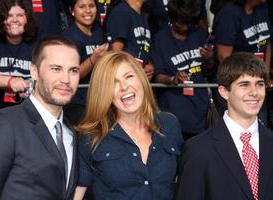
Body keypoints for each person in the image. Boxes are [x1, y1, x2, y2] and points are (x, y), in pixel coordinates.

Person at [0, 35, 80, 200]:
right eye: (56, 69)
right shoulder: (4, 124)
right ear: (34, 72)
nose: (66, 79)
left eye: (73, 70)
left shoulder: (70, 133)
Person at [73, 51, 183, 200]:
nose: (124, 87)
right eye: (113, 82)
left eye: (129, 76)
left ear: (142, 79)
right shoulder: (91, 135)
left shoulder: (170, 125)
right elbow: (78, 193)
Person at [176, 52, 273, 200]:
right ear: (224, 92)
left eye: (259, 84)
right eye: (244, 85)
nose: (254, 92)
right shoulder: (197, 150)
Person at [151, 0, 213, 139]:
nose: (185, 27)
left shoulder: (198, 34)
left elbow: (208, 70)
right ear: (172, 18)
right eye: (181, 23)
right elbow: (157, 76)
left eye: (188, 23)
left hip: (199, 110)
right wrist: (173, 79)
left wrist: (208, 58)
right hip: (173, 113)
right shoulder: (160, 40)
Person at [62, 0, 108, 125]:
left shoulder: (100, 32)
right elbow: (70, 74)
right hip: (78, 104)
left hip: (100, 101)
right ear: (72, 11)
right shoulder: (68, 37)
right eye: (82, 7)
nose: (88, 11)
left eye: (91, 6)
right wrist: (93, 59)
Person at [106, 0, 154, 80]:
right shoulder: (121, 12)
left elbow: (141, 49)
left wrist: (148, 68)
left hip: (135, 79)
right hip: (123, 81)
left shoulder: (142, 15)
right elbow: (115, 54)